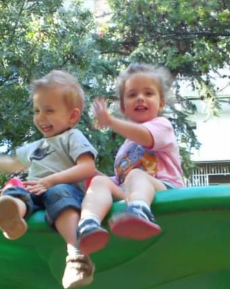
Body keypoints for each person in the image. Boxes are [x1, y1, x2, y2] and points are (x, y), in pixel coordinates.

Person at [0, 70, 98, 289]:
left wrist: (52, 181)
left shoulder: (72, 137)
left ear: (72, 116)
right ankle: (12, 217)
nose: (41, 117)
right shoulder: (35, 146)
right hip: (36, 189)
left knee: (59, 195)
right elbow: (13, 163)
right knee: (17, 192)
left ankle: (77, 255)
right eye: (37, 110)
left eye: (49, 110)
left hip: (64, 189)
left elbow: (87, 167)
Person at [77, 63, 185, 256]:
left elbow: (145, 136)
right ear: (123, 107)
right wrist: (91, 174)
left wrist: (111, 122)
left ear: (161, 103)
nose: (140, 98)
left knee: (136, 174)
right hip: (130, 193)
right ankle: (89, 224)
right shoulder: (125, 147)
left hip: (165, 189)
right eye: (132, 94)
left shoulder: (162, 126)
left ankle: (140, 211)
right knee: (99, 181)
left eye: (148, 93)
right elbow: (120, 179)